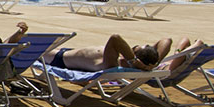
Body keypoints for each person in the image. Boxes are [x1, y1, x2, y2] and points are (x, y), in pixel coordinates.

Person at [42, 34, 172, 72]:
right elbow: (167, 40)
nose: (134, 46)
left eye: (136, 48)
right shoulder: (120, 58)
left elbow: (115, 38)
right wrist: (155, 62)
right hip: (67, 52)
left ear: (136, 58)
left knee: (28, 47)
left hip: (58, 58)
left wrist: (133, 61)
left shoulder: (112, 63)